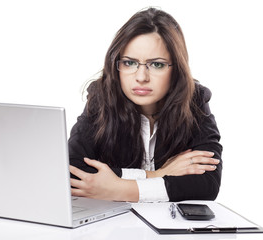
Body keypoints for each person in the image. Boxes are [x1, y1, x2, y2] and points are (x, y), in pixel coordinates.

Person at [68, 7, 222, 203]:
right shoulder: (101, 98)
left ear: (176, 69)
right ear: (117, 65)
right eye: (129, 63)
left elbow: (207, 184)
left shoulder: (195, 101)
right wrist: (159, 174)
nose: (141, 77)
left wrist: (119, 189)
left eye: (157, 64)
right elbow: (72, 172)